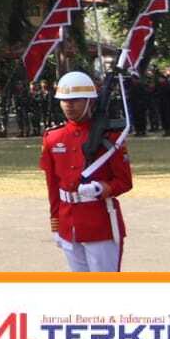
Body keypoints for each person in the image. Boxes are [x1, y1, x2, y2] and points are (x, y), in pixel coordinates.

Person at [39, 71, 133, 272]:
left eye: (75, 100)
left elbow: (124, 181)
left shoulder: (110, 136)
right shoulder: (53, 137)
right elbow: (53, 186)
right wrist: (56, 224)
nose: (68, 105)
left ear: (90, 101)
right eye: (64, 100)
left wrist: (102, 188)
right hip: (67, 223)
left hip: (99, 224)